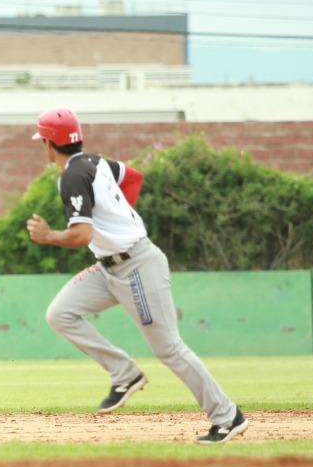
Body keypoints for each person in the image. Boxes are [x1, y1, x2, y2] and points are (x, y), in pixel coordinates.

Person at [25, 108, 248, 445]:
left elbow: (81, 235)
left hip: (136, 266)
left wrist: (48, 236)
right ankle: (124, 374)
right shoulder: (98, 163)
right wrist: (119, 217)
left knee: (169, 349)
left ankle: (228, 416)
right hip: (108, 266)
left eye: (42, 140)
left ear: (48, 144)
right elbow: (133, 177)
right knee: (60, 314)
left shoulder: (71, 176)